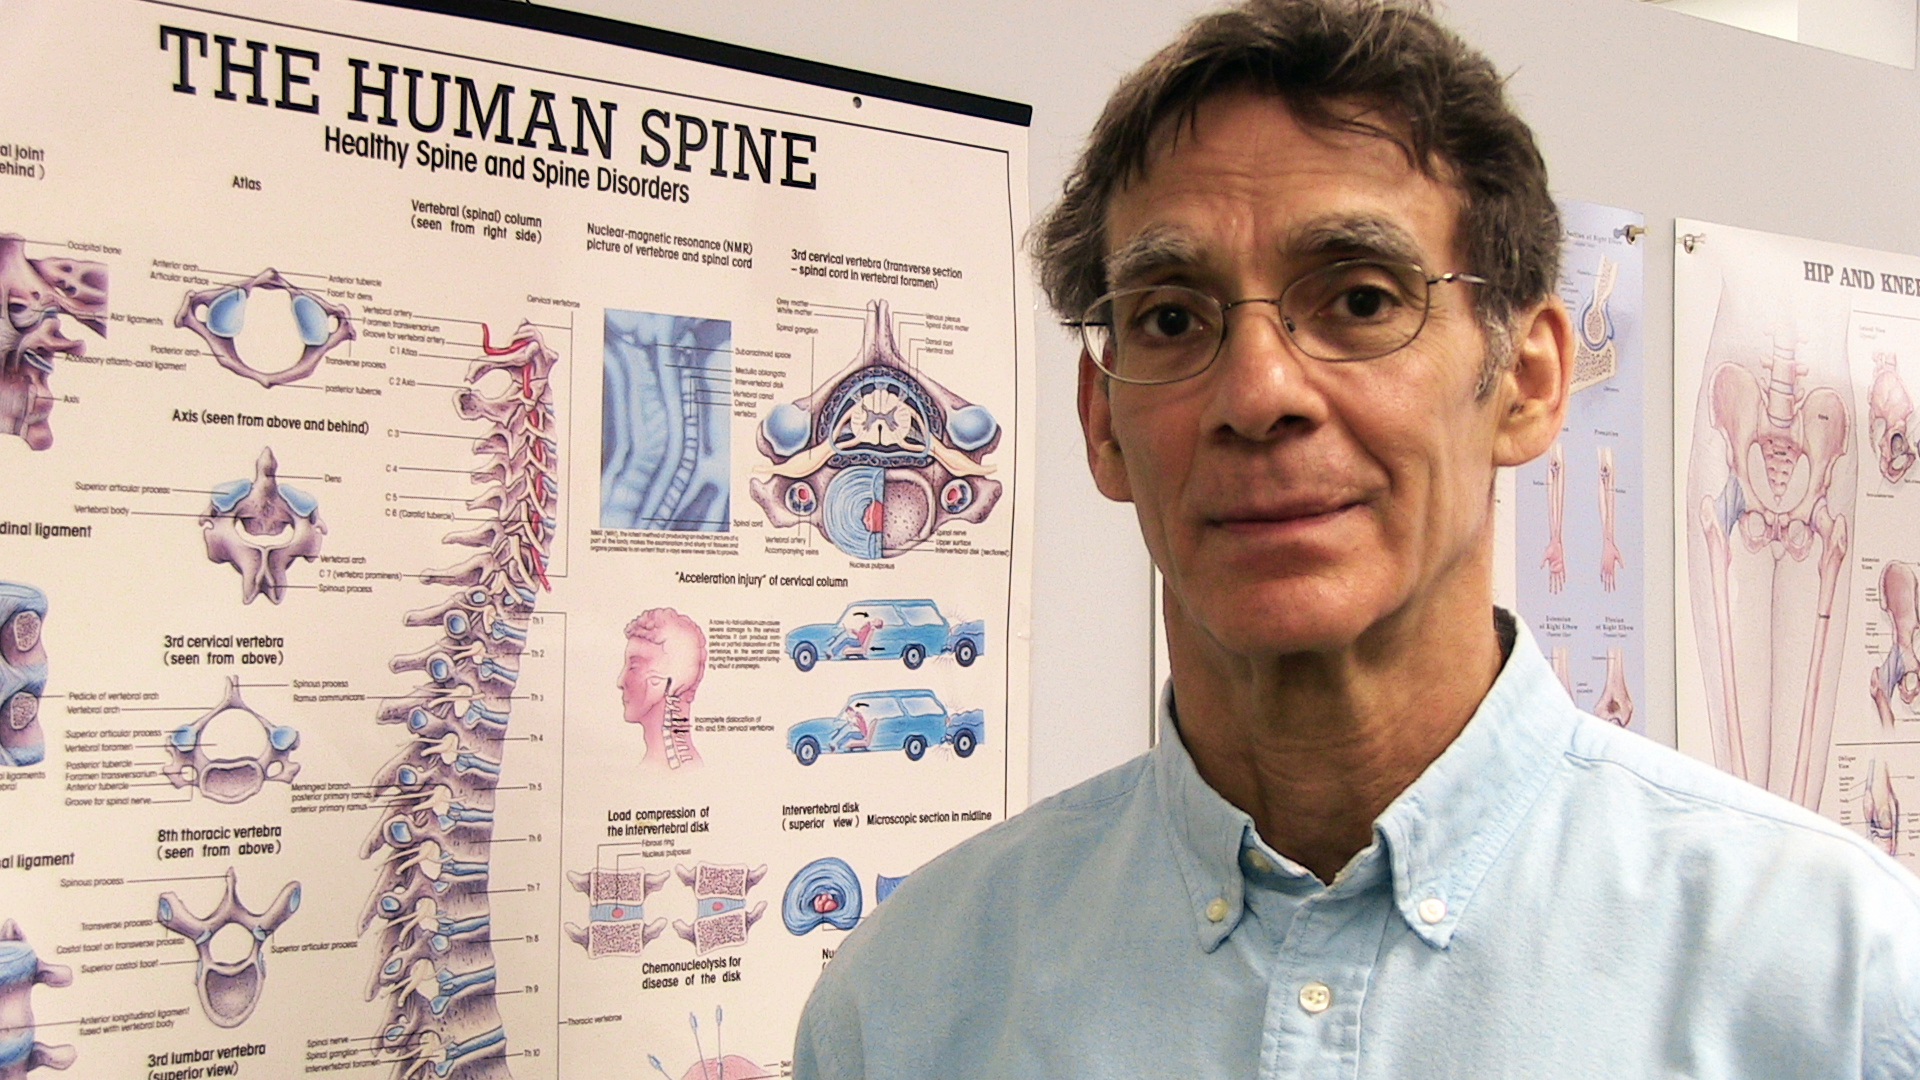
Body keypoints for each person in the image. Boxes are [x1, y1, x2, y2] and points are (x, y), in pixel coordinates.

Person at [793, 0, 1920, 1075]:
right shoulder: (912, 1005)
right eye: (1173, 317)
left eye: (1363, 300)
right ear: (1103, 424)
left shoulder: (1838, 989)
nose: (1258, 393)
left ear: (1527, 383)